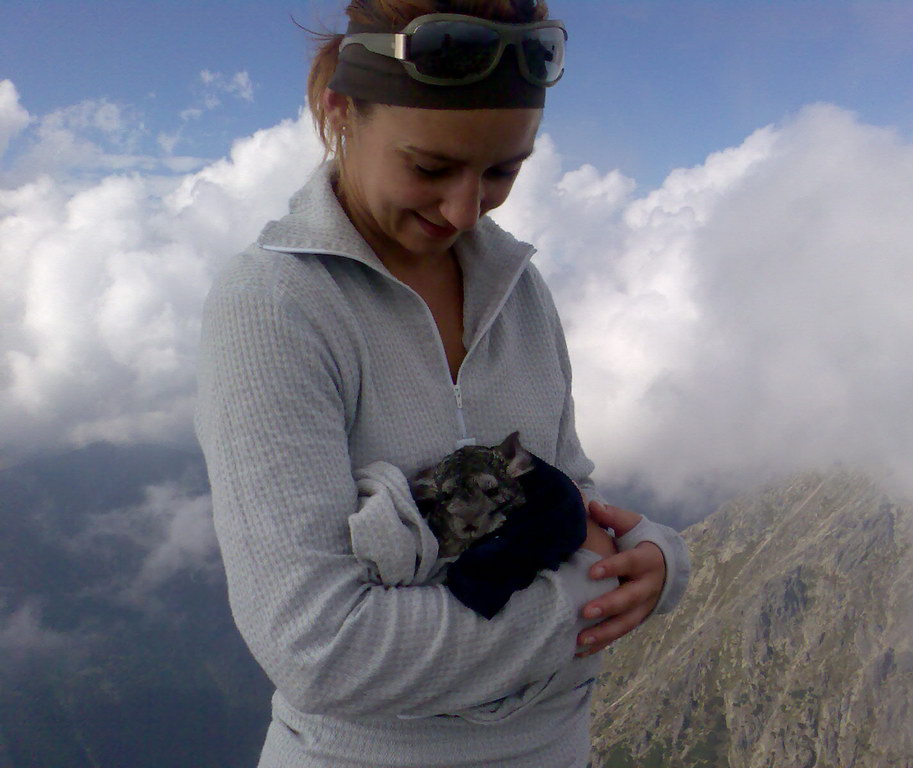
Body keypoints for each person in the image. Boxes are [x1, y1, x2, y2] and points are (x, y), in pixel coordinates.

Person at [194, 1, 690, 766]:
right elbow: (321, 651)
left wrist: (657, 560)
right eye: (430, 167)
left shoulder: (519, 290)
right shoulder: (274, 307)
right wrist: (583, 596)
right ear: (341, 111)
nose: (465, 210)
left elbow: (570, 495)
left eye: (502, 171)